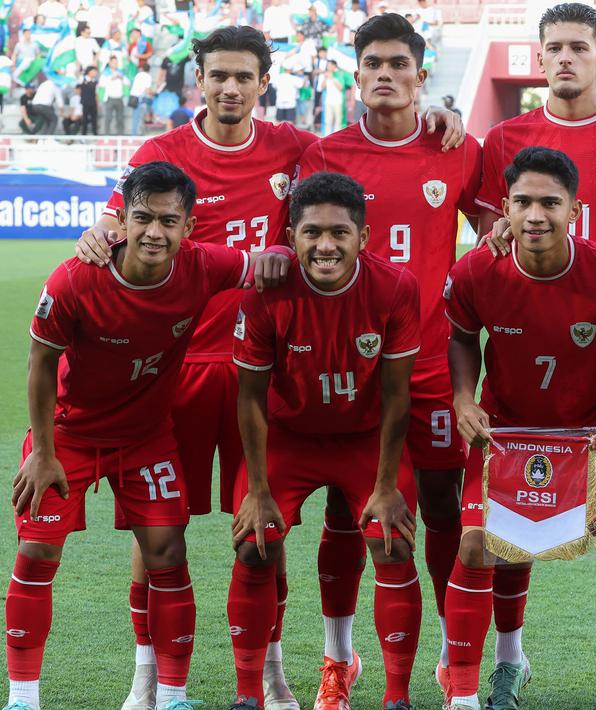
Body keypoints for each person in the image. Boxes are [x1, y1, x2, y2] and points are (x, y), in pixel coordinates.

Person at [73, 24, 463, 710]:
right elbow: (116, 229)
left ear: (264, 83)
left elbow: (364, 159)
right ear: (197, 79)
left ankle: (274, 675)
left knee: (263, 533)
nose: (228, 87)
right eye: (216, 75)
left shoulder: (294, 149)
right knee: (157, 526)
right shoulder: (160, 153)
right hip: (182, 365)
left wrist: (436, 117)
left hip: (272, 375)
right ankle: (147, 678)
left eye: (242, 76)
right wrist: (97, 231)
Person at [6, 160, 288, 710]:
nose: (154, 232)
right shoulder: (75, 278)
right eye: (142, 218)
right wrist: (42, 451)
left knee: (167, 550)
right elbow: (41, 363)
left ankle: (173, 696)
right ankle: (23, 697)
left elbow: (265, 263)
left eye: (168, 220)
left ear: (188, 227)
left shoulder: (203, 266)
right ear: (122, 221)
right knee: (37, 549)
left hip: (145, 438)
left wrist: (284, 253)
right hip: (68, 433)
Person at [472, 6, 596, 705]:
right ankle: (509, 659)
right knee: (507, 527)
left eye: (578, 47)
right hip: (520, 362)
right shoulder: (502, 138)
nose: (563, 58)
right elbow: (488, 239)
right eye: (551, 47)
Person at [294, 13, 482, 709]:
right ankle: (339, 659)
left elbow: (492, 233)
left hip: (432, 365)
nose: (384, 74)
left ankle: (445, 652)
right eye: (372, 62)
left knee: (439, 509)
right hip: (349, 367)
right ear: (354, 71)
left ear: (420, 74)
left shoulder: (457, 148)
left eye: (398, 64)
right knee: (348, 513)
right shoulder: (324, 155)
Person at [443, 146, 596, 710]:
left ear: (575, 209)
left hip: (589, 433)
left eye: (549, 203)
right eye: (522, 202)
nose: (535, 215)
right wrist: (464, 397)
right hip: (508, 433)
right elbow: (462, 336)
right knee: (479, 547)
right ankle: (484, 680)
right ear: (506, 209)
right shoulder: (476, 270)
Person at [228, 171, 423, 710]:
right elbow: (249, 399)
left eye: (340, 232)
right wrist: (259, 489)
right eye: (312, 232)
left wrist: (386, 486)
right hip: (289, 438)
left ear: (364, 235)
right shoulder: (265, 294)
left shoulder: (395, 287)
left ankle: (397, 696)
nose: (326, 245)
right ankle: (249, 695)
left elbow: (396, 397)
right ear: (291, 237)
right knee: (255, 541)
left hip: (364, 439)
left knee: (393, 539)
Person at [102, 56, 128, 135]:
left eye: (116, 62)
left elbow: (127, 83)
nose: (115, 64)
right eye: (113, 62)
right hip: (110, 98)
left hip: (119, 98)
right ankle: (107, 136)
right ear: (110, 63)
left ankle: (120, 136)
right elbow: (101, 84)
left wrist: (121, 78)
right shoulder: (105, 72)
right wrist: (111, 78)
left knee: (120, 118)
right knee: (108, 118)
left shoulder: (121, 72)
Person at [79, 66, 99, 135]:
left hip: (93, 103)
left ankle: (95, 134)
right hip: (85, 103)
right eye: (94, 71)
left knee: (94, 120)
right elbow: (78, 90)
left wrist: (97, 104)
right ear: (89, 72)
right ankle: (83, 135)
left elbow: (96, 93)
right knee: (84, 119)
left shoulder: (95, 82)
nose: (95, 73)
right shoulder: (82, 79)